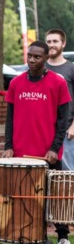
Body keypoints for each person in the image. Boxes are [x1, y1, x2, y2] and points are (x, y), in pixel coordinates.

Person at [3, 41, 73, 244]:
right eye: (30, 56)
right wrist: (8, 146)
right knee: (23, 196)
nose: (32, 60)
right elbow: (9, 119)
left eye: (37, 57)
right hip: (21, 155)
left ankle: (63, 238)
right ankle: (21, 234)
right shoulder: (16, 83)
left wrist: (55, 148)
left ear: (45, 59)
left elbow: (63, 120)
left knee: (55, 196)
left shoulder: (57, 83)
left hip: (48, 154)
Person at [45, 29, 74, 171]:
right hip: (45, 130)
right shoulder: (40, 68)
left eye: (55, 41)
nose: (51, 45)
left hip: (67, 131)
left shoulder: (71, 68)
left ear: (63, 44)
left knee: (67, 174)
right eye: (48, 41)